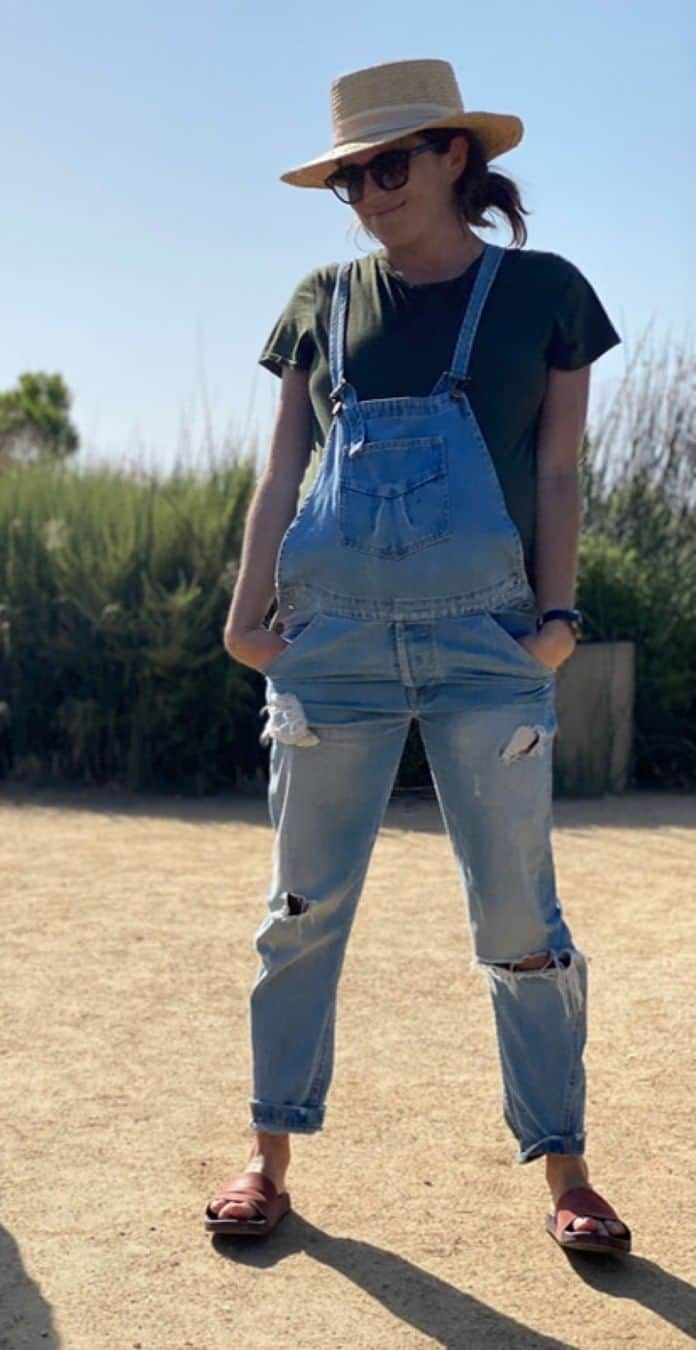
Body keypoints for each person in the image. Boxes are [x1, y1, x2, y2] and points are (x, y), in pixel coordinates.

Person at [205, 58, 630, 1255]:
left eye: (389, 166)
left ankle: (566, 1171)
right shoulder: (320, 302)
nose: (369, 195)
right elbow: (280, 469)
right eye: (349, 178)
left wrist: (559, 619)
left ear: (454, 157)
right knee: (298, 912)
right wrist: (247, 618)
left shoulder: (544, 293)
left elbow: (557, 470)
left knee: (519, 917)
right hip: (328, 646)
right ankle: (266, 1152)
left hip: (487, 645)